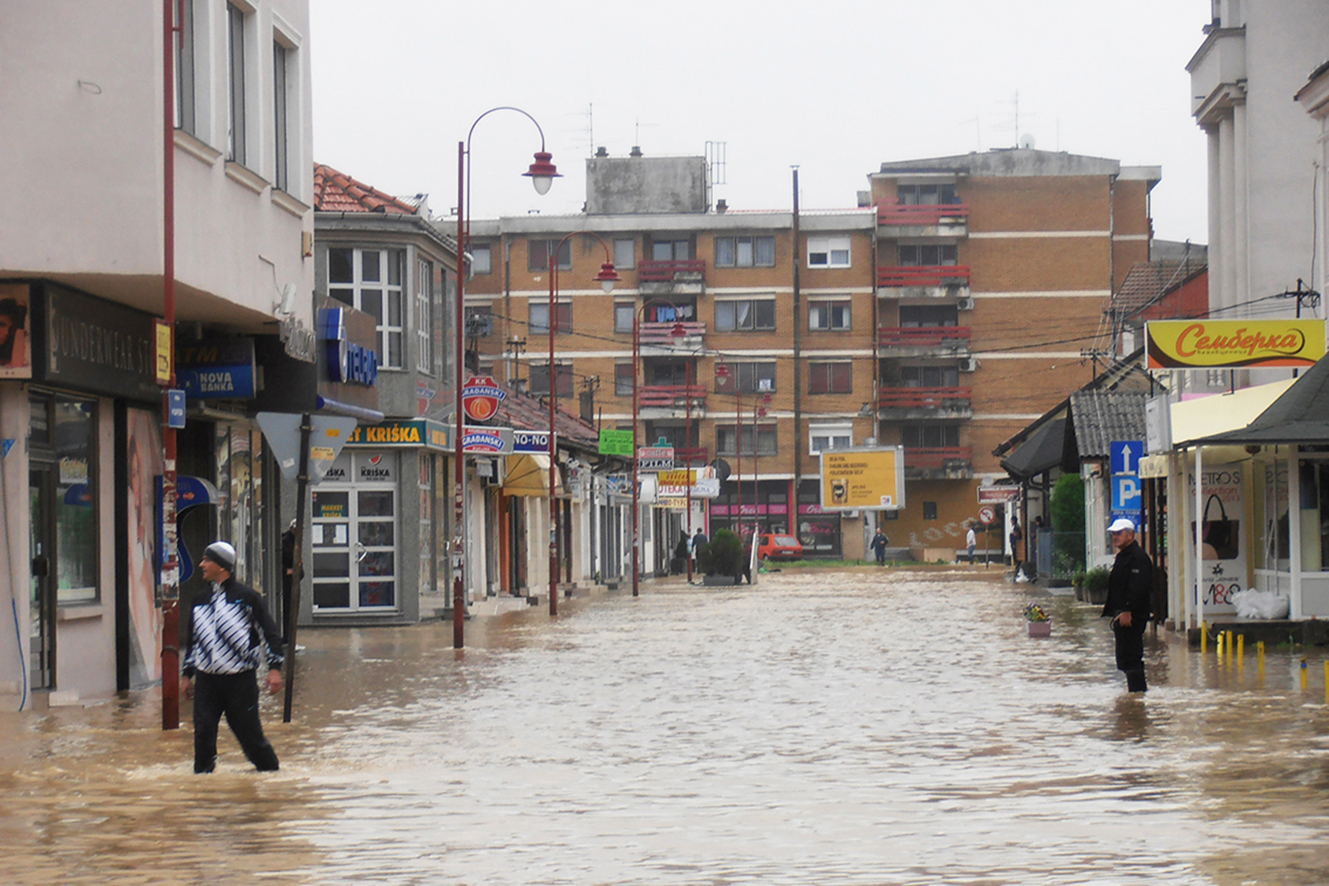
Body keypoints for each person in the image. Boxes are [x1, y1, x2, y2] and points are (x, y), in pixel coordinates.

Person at [182, 541, 285, 773]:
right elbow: (193, 641)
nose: (201, 565)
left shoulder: (247, 598)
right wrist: (187, 675)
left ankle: (272, 775)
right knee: (203, 733)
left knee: (250, 737)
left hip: (240, 681)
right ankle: (203, 785)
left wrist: (275, 668)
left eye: (207, 560)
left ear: (222, 565)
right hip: (206, 681)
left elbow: (270, 633)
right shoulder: (199, 600)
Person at [1103, 518, 1153, 693]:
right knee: (1124, 659)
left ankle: (1138, 696)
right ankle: (1134, 695)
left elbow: (1137, 587)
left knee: (1131, 658)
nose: (1115, 537)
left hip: (1132, 616)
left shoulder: (1138, 558)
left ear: (1130, 535)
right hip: (1122, 615)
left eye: (1119, 533)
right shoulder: (1123, 556)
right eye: (1113, 534)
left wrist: (1127, 611)